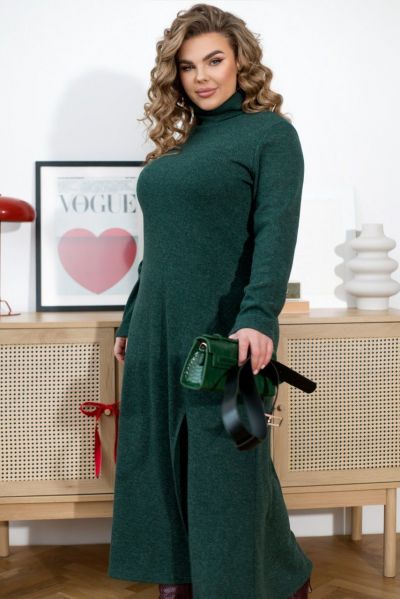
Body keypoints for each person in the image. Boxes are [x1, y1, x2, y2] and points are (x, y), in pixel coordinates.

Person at [107, 3, 313, 598]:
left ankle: (263, 581)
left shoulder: (271, 135)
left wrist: (258, 317)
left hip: (221, 327)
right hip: (157, 326)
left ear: (240, 61)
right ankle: (182, 578)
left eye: (214, 60)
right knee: (158, 462)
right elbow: (161, 246)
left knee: (228, 469)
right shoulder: (184, 142)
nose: (201, 76)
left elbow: (275, 234)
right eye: (188, 65)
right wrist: (131, 318)